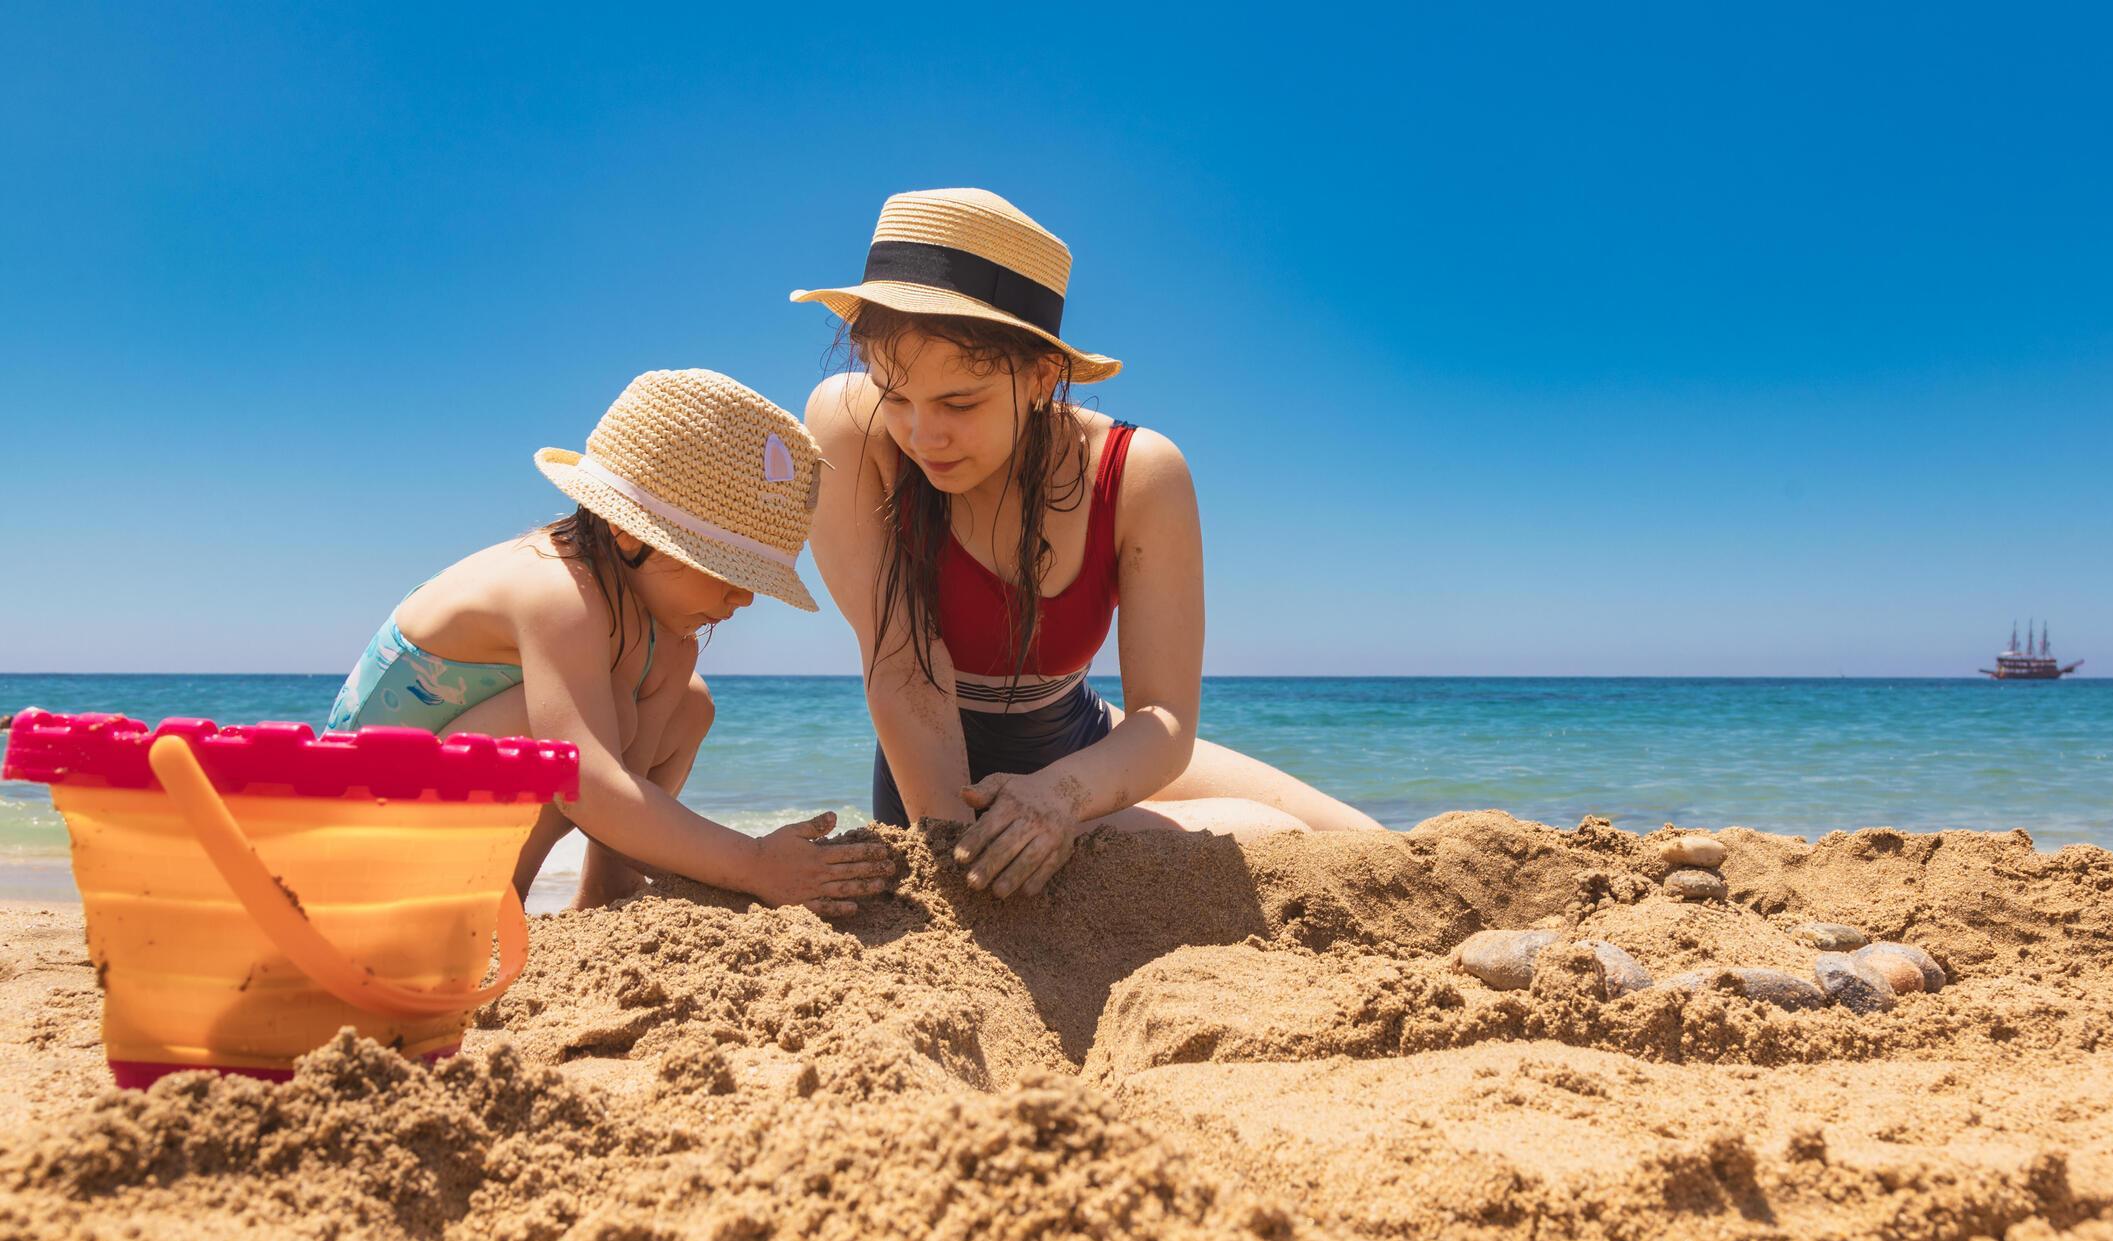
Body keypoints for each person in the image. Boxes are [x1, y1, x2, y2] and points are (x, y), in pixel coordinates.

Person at [795, 188, 1378, 901]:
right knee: (1276, 838)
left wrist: (1061, 797)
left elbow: (1163, 721)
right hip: (941, 780)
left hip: (1084, 753)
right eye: (897, 392)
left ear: (1042, 375)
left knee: (1369, 844)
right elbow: (903, 668)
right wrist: (957, 848)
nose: (922, 435)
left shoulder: (1138, 474)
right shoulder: (850, 427)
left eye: (959, 403)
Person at [325, 369, 893, 914]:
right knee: (593, 733)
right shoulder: (555, 591)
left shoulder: (661, 637)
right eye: (729, 570)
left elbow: (621, 767)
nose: (744, 599)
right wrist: (755, 863)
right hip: (359, 824)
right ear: (627, 533)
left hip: (430, 805)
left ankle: (609, 882)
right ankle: (494, 905)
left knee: (689, 700)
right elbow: (585, 784)